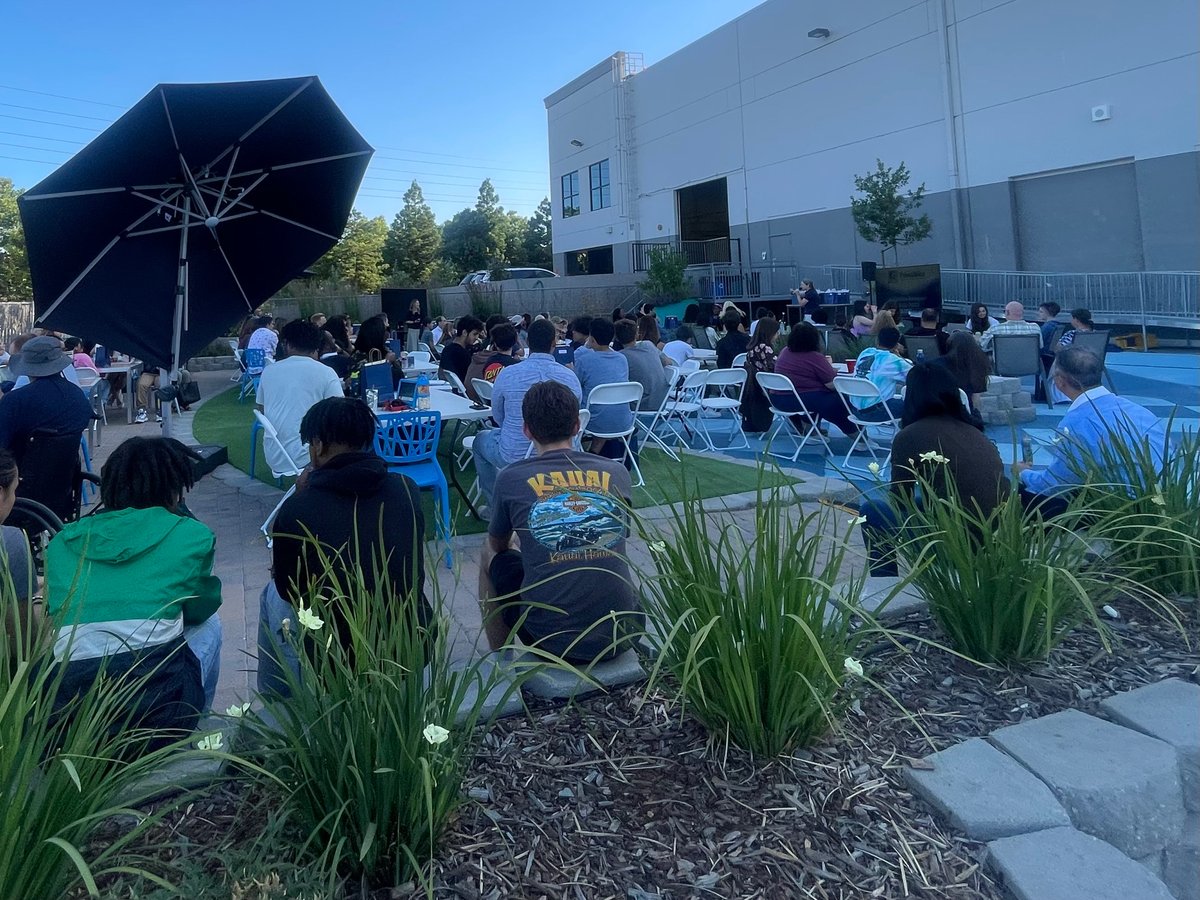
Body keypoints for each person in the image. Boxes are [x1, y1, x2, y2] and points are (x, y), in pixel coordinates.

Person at [44, 437, 223, 738]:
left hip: (69, 723)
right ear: (174, 490)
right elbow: (201, 607)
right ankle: (199, 731)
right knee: (210, 626)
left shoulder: (62, 542)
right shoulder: (191, 535)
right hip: (161, 717)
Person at [259, 397, 429, 695]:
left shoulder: (299, 509)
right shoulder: (406, 489)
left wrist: (300, 497)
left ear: (318, 445)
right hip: (409, 642)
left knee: (271, 597)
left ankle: (281, 704)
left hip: (338, 656)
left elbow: (288, 588)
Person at [479, 381, 638, 662]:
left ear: (526, 430)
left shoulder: (511, 477)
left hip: (551, 638)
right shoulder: (617, 472)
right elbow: (617, 533)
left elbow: (498, 545)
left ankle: (500, 658)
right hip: (624, 632)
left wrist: (524, 539)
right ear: (577, 425)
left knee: (488, 552)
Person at [858, 363, 1008, 576]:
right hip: (996, 537)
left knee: (873, 511)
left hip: (954, 543)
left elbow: (901, 498)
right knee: (923, 503)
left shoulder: (910, 436)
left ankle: (885, 585)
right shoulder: (974, 432)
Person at [1014, 347, 1164, 519]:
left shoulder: (1076, 423)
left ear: (1060, 381)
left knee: (1025, 493)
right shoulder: (1139, 411)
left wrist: (1023, 473)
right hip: (1157, 498)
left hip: (1117, 508)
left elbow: (1057, 484)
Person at [473, 318, 582, 503]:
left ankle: (495, 507)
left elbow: (499, 417)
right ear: (553, 344)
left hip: (514, 453)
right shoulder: (569, 377)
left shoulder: (508, 374)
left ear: (527, 342)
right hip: (564, 453)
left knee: (480, 441)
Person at [257, 320, 345, 474]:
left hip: (276, 454)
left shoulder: (269, 371)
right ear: (317, 347)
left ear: (287, 344)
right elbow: (340, 414)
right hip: (310, 455)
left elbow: (261, 409)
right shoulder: (326, 372)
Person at [0, 336, 93, 454]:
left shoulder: (14, 401)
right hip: (67, 469)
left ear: (26, 367)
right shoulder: (77, 395)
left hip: (18, 468)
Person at [773, 323, 858, 436]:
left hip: (778, 399)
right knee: (838, 401)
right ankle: (857, 435)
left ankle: (811, 432)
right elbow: (830, 384)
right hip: (798, 400)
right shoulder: (815, 357)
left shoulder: (785, 352)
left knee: (817, 397)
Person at [573, 317, 633, 459]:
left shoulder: (584, 360)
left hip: (593, 422)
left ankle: (581, 455)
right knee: (604, 405)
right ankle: (593, 453)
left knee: (580, 403)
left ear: (591, 339)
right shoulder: (622, 359)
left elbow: (575, 386)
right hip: (624, 421)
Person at [848, 327, 912, 421]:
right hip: (876, 412)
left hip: (855, 410)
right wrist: (899, 356)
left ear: (877, 339)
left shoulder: (865, 352)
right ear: (896, 344)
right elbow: (916, 374)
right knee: (916, 406)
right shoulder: (893, 360)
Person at [617, 318, 669, 412]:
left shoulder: (621, 357)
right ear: (636, 334)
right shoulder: (649, 345)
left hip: (640, 406)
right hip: (662, 401)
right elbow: (667, 362)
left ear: (616, 338)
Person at [934, 329, 991, 411]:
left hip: (939, 411)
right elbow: (976, 398)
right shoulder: (978, 365)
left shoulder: (937, 364)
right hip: (964, 413)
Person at [740, 315, 779, 433]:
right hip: (768, 387)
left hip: (755, 386)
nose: (778, 336)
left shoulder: (751, 348)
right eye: (776, 333)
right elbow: (774, 368)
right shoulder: (766, 348)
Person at [465, 321, 520, 401]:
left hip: (490, 401)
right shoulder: (516, 366)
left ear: (495, 343)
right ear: (514, 343)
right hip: (506, 402)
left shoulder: (489, 362)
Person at [437, 315, 485, 384]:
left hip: (451, 389)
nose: (477, 337)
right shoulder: (463, 354)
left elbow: (441, 375)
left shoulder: (447, 349)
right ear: (464, 332)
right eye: (475, 334)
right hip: (463, 391)